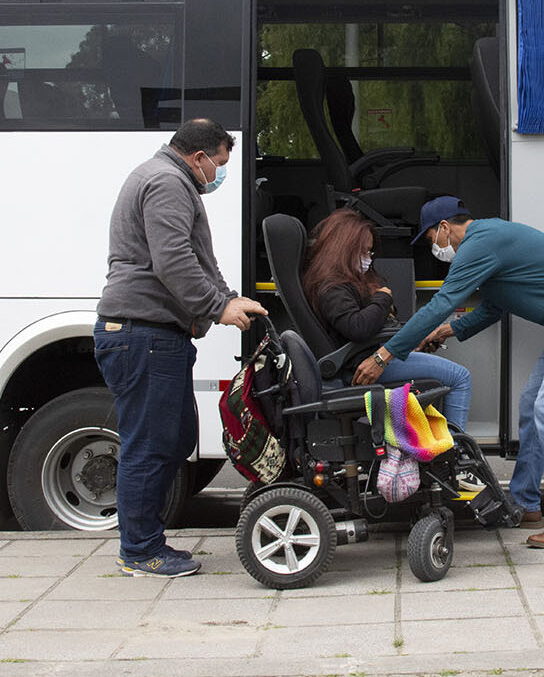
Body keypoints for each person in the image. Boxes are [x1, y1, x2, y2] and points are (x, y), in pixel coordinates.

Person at [353, 196, 544, 548]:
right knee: (532, 406)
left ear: (446, 227)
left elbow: (442, 303)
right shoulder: (490, 242)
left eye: (432, 237)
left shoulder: (480, 243)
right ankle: (526, 503)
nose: (434, 247)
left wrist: (384, 356)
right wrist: (446, 332)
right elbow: (494, 308)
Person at [94, 118, 267, 577]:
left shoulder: (165, 179)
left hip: (152, 336)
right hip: (144, 334)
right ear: (199, 158)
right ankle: (140, 551)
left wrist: (229, 298)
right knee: (151, 446)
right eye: (221, 164)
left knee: (171, 439)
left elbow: (197, 258)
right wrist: (217, 307)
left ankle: (144, 544)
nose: (220, 174)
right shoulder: (168, 182)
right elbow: (173, 261)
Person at [302, 208, 473, 430]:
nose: (367, 259)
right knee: (460, 377)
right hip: (365, 362)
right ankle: (454, 450)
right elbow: (358, 327)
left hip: (373, 352)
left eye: (370, 253)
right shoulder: (333, 288)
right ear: (343, 250)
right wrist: (383, 298)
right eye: (363, 252)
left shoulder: (340, 282)